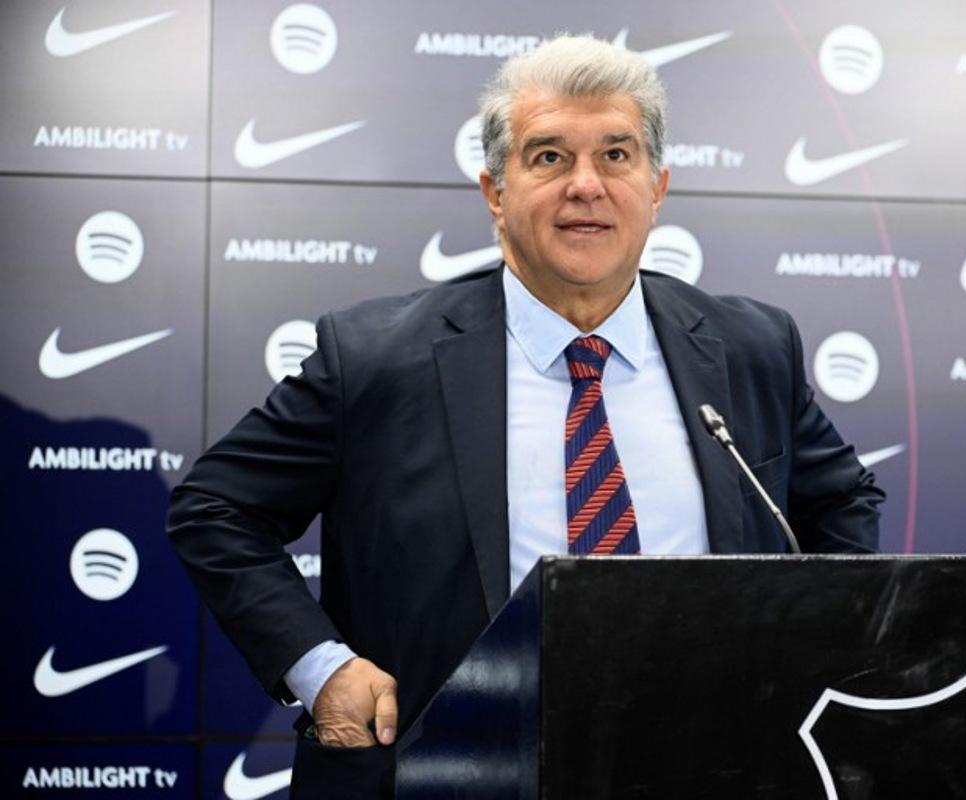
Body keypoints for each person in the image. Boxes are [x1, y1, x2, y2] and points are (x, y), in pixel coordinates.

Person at [168, 33, 883, 796]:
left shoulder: (749, 345)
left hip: (711, 765)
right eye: (549, 157)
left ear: (658, 185)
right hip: (451, 771)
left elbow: (840, 500)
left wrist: (818, 653)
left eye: (616, 155)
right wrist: (323, 670)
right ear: (495, 192)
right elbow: (215, 509)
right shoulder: (374, 357)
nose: (587, 185)